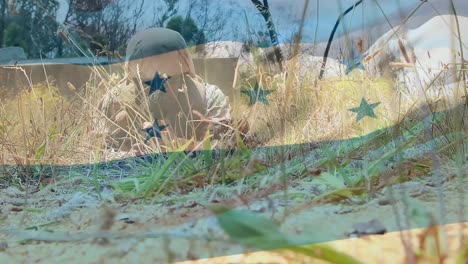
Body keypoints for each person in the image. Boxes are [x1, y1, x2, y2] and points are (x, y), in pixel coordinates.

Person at [98, 28, 245, 155]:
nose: (158, 89)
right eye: (147, 82)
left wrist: (182, 146)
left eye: (170, 79)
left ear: (183, 75)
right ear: (133, 81)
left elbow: (229, 146)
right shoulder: (116, 100)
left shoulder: (208, 97)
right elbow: (97, 148)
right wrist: (127, 154)